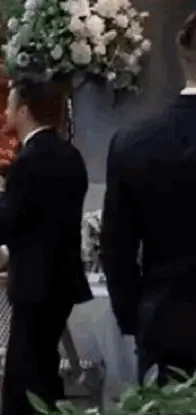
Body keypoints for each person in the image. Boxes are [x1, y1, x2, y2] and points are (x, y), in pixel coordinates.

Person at [0, 73, 91, 415]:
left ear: (25, 110)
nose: (5, 112)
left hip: (34, 283)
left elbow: (8, 221)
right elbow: (45, 221)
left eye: (9, 105)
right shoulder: (71, 156)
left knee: (24, 377)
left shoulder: (28, 161)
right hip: (62, 280)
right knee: (43, 370)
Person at [101, 12, 196, 385]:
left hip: (164, 323)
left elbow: (116, 249)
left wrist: (135, 318)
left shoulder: (134, 141)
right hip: (162, 322)